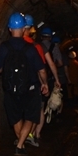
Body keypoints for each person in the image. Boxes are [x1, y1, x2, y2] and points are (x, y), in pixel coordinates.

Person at [0, 13, 48, 156]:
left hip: (10, 89)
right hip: (30, 89)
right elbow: (41, 70)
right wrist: (45, 83)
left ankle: (20, 143)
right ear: (23, 29)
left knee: (15, 117)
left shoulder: (4, 48)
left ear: (10, 29)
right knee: (30, 117)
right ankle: (20, 144)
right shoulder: (30, 48)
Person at [25, 19, 59, 147]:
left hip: (23, 82)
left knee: (27, 108)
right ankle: (35, 134)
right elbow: (50, 64)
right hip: (39, 81)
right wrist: (56, 79)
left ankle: (25, 135)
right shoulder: (40, 47)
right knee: (39, 108)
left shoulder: (19, 45)